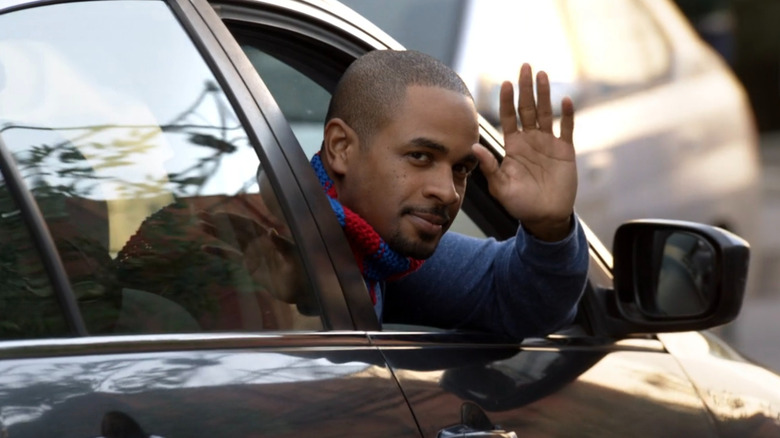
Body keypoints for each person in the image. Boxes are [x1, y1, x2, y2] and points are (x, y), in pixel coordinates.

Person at [311, 49, 588, 339]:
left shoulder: (386, 258)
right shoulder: (275, 238)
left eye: (462, 169)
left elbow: (521, 303)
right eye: (420, 156)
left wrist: (549, 226)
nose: (448, 192)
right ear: (341, 147)